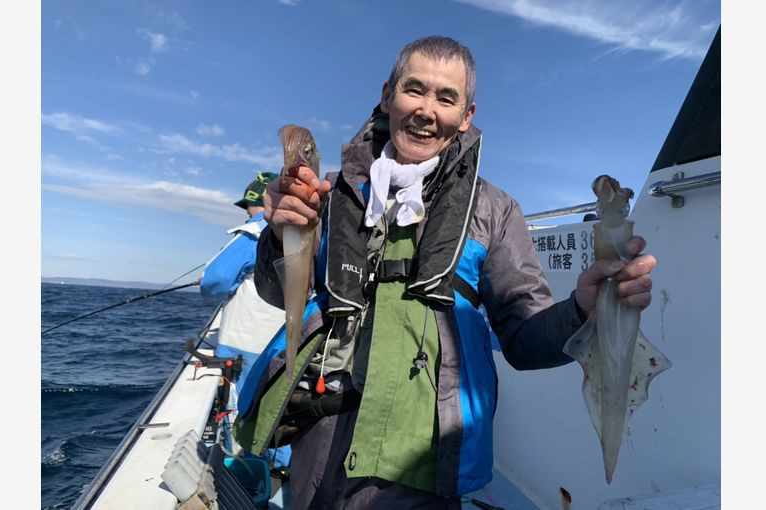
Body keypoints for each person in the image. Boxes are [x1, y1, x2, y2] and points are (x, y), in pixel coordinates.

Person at [233, 36, 656, 509]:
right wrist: (281, 234)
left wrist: (582, 310)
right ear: (388, 93)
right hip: (318, 447)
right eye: (414, 90)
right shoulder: (331, 196)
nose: (426, 110)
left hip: (423, 470)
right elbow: (276, 291)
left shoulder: (495, 212)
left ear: (466, 116)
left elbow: (524, 342)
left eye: (446, 97)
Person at [199, 172, 287, 459]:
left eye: (247, 205)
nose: (246, 212)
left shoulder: (254, 232)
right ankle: (284, 473)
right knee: (279, 406)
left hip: (248, 342)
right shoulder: (299, 230)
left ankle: (248, 470)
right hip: (286, 339)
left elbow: (215, 280)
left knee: (246, 411)